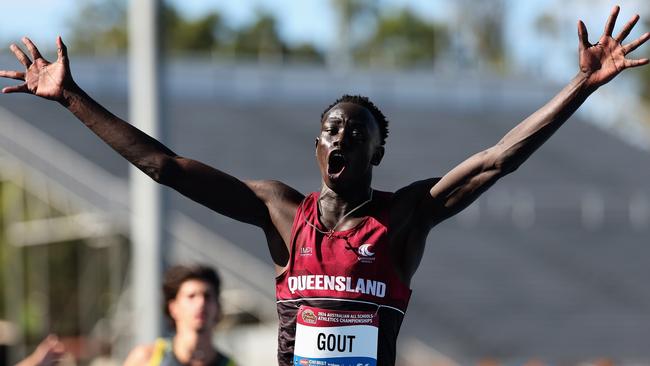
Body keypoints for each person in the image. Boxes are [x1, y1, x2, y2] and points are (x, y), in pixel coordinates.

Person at [1, 5, 648, 366]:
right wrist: (72, 98)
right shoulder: (279, 210)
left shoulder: (405, 215)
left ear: (377, 150)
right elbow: (164, 167)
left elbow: (496, 158)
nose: (341, 139)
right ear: (317, 146)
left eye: (356, 132)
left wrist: (579, 88)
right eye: (331, 130)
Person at [123, 264, 235, 366]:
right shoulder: (146, 359)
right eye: (191, 296)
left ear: (218, 307)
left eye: (207, 296)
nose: (201, 303)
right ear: (173, 308)